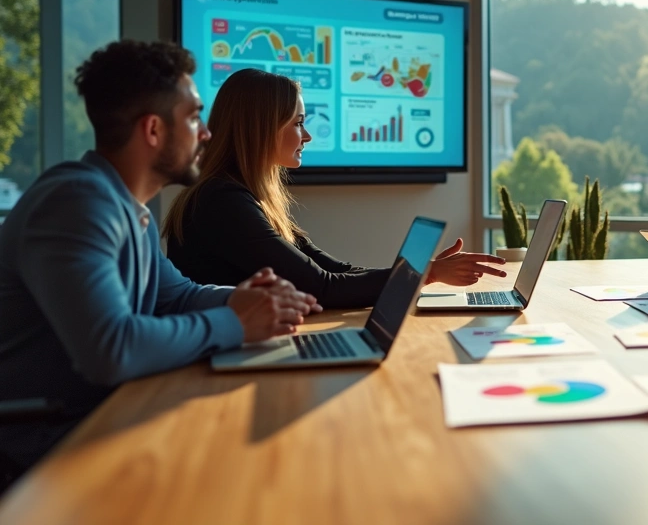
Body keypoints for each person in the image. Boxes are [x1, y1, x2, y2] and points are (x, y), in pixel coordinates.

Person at [0, 41, 318, 477]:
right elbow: (111, 350)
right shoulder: (76, 204)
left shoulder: (127, 206)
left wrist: (248, 300)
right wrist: (237, 322)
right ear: (153, 130)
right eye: (192, 117)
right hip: (43, 450)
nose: (206, 132)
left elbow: (176, 296)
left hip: (103, 421)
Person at [165, 68, 506, 309]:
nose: (308, 136)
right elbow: (323, 288)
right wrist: (427, 274)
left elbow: (335, 270)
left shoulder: (243, 196)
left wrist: (421, 271)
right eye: (298, 123)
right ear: (261, 129)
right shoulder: (223, 203)